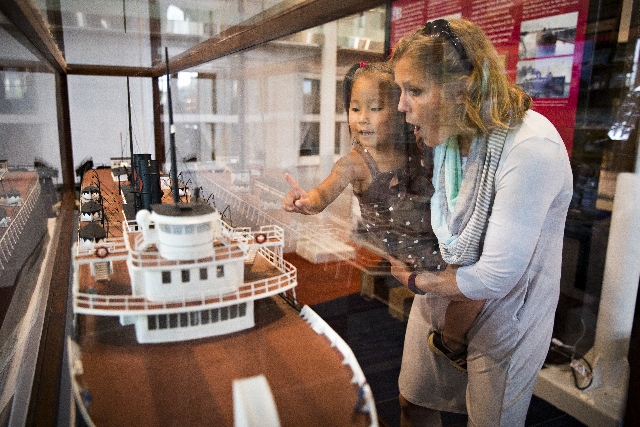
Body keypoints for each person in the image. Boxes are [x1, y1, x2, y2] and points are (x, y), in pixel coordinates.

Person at [388, 18, 573, 426]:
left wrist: (415, 280)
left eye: (414, 90)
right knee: (413, 401)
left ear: (463, 88)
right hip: (445, 288)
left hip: (508, 311)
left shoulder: (531, 147)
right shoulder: (451, 136)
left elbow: (494, 277)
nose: (402, 105)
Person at [282, 62, 441, 271]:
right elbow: (323, 193)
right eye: (355, 109)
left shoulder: (416, 148)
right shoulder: (353, 163)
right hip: (404, 263)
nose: (362, 119)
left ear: (400, 111)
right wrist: (306, 201)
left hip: (438, 249)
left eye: (375, 108)